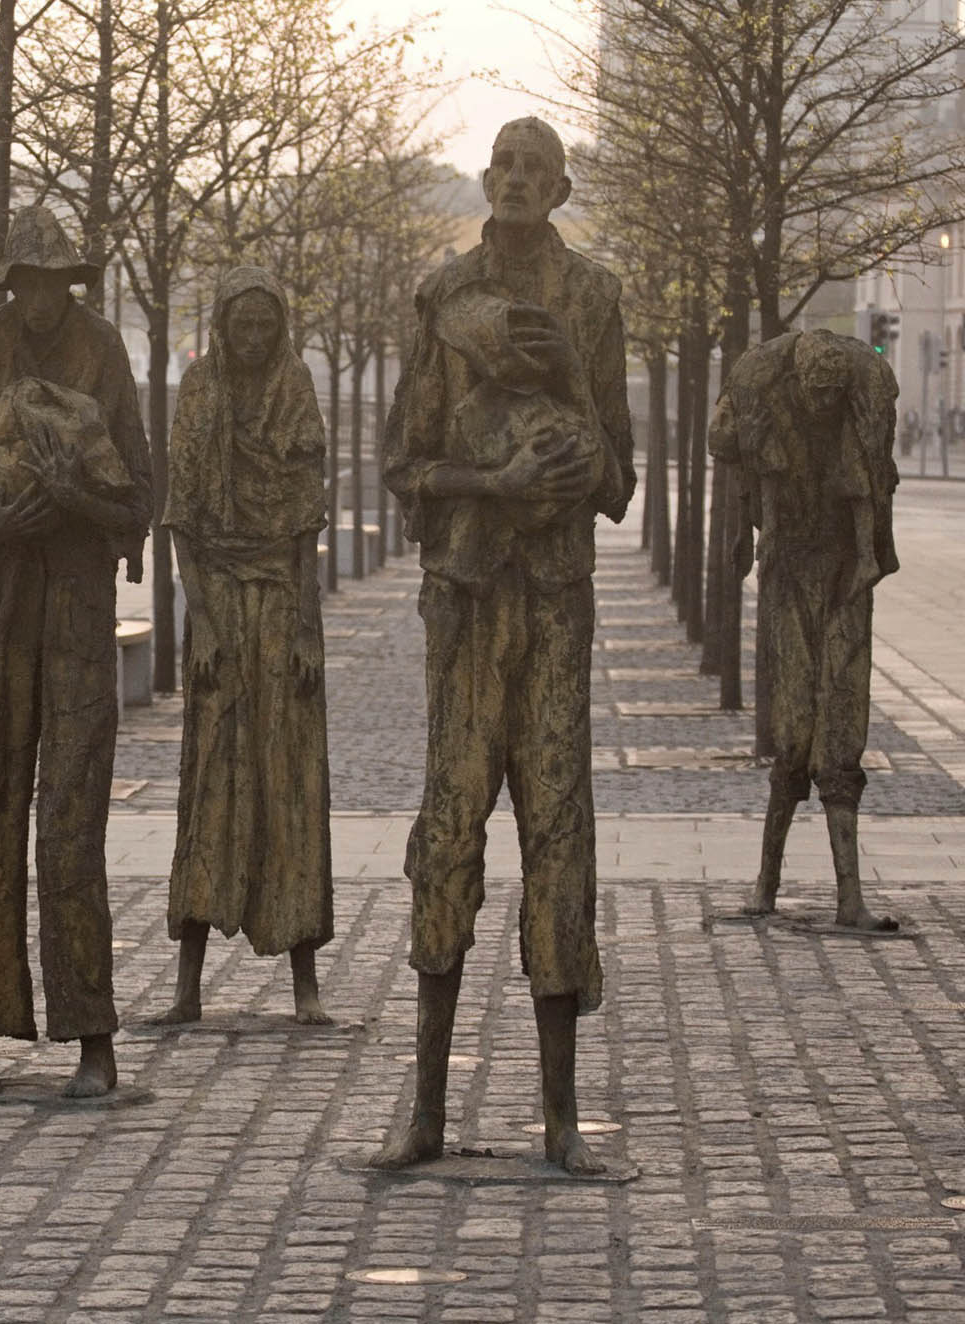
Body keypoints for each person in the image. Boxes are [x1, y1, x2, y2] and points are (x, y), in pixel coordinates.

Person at [377, 117, 635, 1176]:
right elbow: (403, 464)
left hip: (557, 603)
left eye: (538, 170)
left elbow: (619, 479)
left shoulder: (594, 297)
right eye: (505, 167)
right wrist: (494, 483)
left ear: (561, 188)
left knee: (560, 835)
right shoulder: (442, 296)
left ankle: (561, 1119)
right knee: (446, 830)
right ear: (487, 180)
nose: (519, 180)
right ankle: (425, 1111)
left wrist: (570, 394)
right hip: (467, 602)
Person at [0, 205, 153, 1097]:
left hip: (76, 609)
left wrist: (76, 499)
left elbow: (138, 497)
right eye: (22, 282)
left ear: (69, 283)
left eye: (50, 283)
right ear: (8, 283)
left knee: (71, 823)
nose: (36, 298)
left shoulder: (102, 348)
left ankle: (93, 1038)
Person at [156, 265, 333, 1026]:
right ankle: (187, 986)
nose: (254, 338)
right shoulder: (200, 391)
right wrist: (200, 619)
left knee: (290, 781)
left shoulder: (295, 388)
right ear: (223, 326)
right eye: (242, 324)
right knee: (210, 781)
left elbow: (304, 530)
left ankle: (305, 983)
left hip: (280, 604)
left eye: (266, 324)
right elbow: (182, 521)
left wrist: (306, 629)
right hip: (219, 607)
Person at [711, 329, 900, 930]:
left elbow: (870, 490)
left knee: (842, 719)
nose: (822, 403)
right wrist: (744, 537)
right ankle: (766, 884)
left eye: (831, 395)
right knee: (793, 728)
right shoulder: (765, 404)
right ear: (797, 384)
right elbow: (745, 472)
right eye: (815, 393)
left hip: (843, 577)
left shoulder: (856, 420)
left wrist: (868, 558)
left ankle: (850, 898)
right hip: (790, 573)